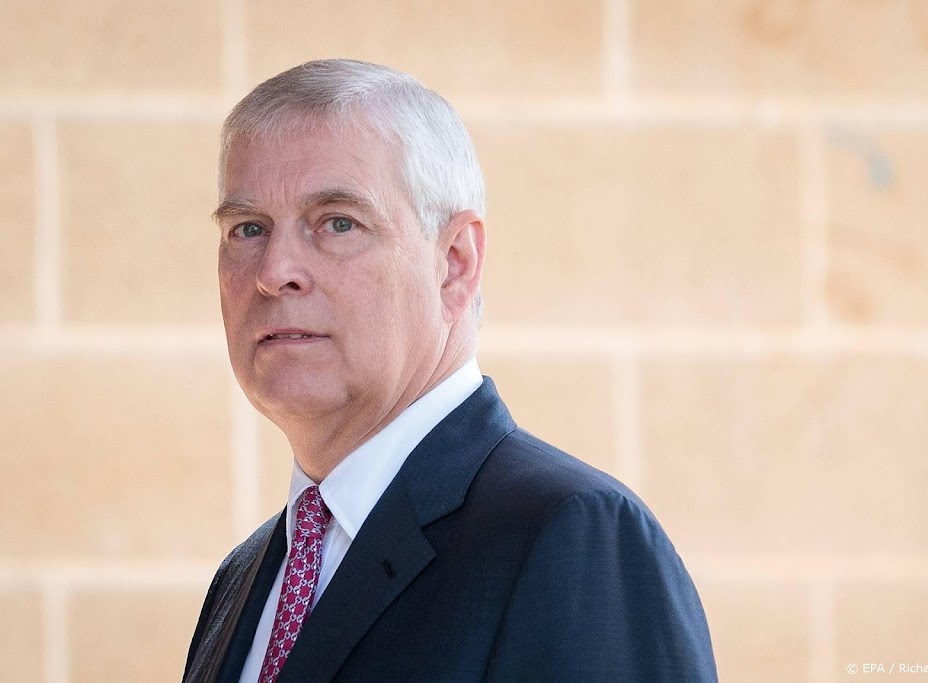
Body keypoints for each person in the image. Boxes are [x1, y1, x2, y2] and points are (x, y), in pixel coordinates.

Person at [183, 58, 717, 683]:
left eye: (338, 223)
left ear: (455, 262)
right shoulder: (245, 577)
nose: (275, 272)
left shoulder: (571, 535)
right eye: (248, 229)